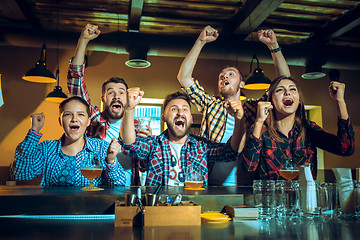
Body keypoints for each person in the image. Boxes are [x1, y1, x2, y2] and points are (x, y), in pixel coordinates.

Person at [177, 26, 290, 185]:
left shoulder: (254, 108)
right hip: (212, 185)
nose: (224, 77)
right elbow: (184, 78)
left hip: (249, 186)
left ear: (242, 84)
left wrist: (273, 46)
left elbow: (284, 82)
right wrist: (200, 41)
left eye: (231, 74)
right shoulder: (211, 105)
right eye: (221, 76)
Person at [67, 24, 151, 185]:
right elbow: (76, 83)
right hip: (96, 183)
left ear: (127, 99)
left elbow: (144, 167)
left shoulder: (138, 125)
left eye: (121, 92)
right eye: (111, 92)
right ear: (104, 98)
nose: (116, 96)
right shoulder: (94, 118)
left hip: (129, 187)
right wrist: (83, 40)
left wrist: (146, 150)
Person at [119, 89, 246, 186]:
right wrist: (129, 109)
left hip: (193, 211)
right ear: (163, 117)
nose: (180, 112)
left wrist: (239, 120)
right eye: (174, 109)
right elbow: (129, 146)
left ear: (190, 118)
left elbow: (231, 152)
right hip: (158, 211)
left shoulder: (201, 146)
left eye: (185, 109)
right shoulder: (154, 144)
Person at [242, 76, 355, 180]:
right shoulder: (261, 130)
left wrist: (340, 101)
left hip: (304, 199)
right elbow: (249, 167)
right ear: (271, 101)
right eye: (279, 90)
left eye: (292, 89)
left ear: (299, 100)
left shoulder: (309, 128)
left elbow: (346, 149)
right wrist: (259, 121)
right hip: (272, 200)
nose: (287, 93)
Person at [10, 96, 126, 186]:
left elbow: (119, 184)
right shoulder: (46, 148)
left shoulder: (102, 148)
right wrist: (34, 130)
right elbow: (22, 173)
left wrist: (110, 161)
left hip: (91, 213)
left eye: (80, 114)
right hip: (54, 213)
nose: (74, 119)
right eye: (68, 114)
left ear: (88, 121)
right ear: (60, 121)